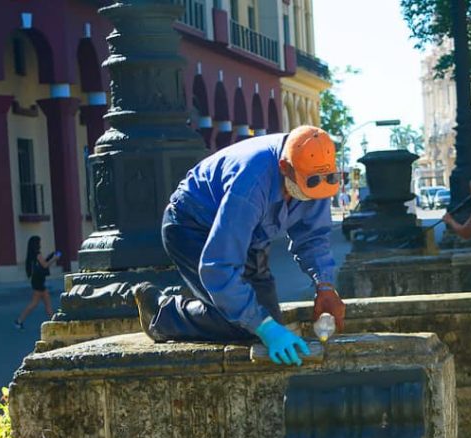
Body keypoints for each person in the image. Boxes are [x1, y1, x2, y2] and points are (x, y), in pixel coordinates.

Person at [130, 125, 346, 367]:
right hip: (192, 226)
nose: (311, 196)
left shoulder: (317, 176)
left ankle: (211, 302)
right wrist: (264, 328)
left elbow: (312, 238)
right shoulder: (251, 183)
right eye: (306, 187)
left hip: (252, 235)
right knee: (245, 325)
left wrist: (324, 285)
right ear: (285, 168)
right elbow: (219, 267)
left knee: (266, 320)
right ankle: (162, 312)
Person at [14, 236, 60, 329]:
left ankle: (54, 322)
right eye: (39, 242)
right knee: (37, 303)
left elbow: (41, 264)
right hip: (39, 281)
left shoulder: (31, 254)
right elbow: (45, 265)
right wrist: (54, 259)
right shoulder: (37, 254)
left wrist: (49, 257)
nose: (40, 244)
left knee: (43, 303)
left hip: (37, 280)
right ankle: (19, 320)